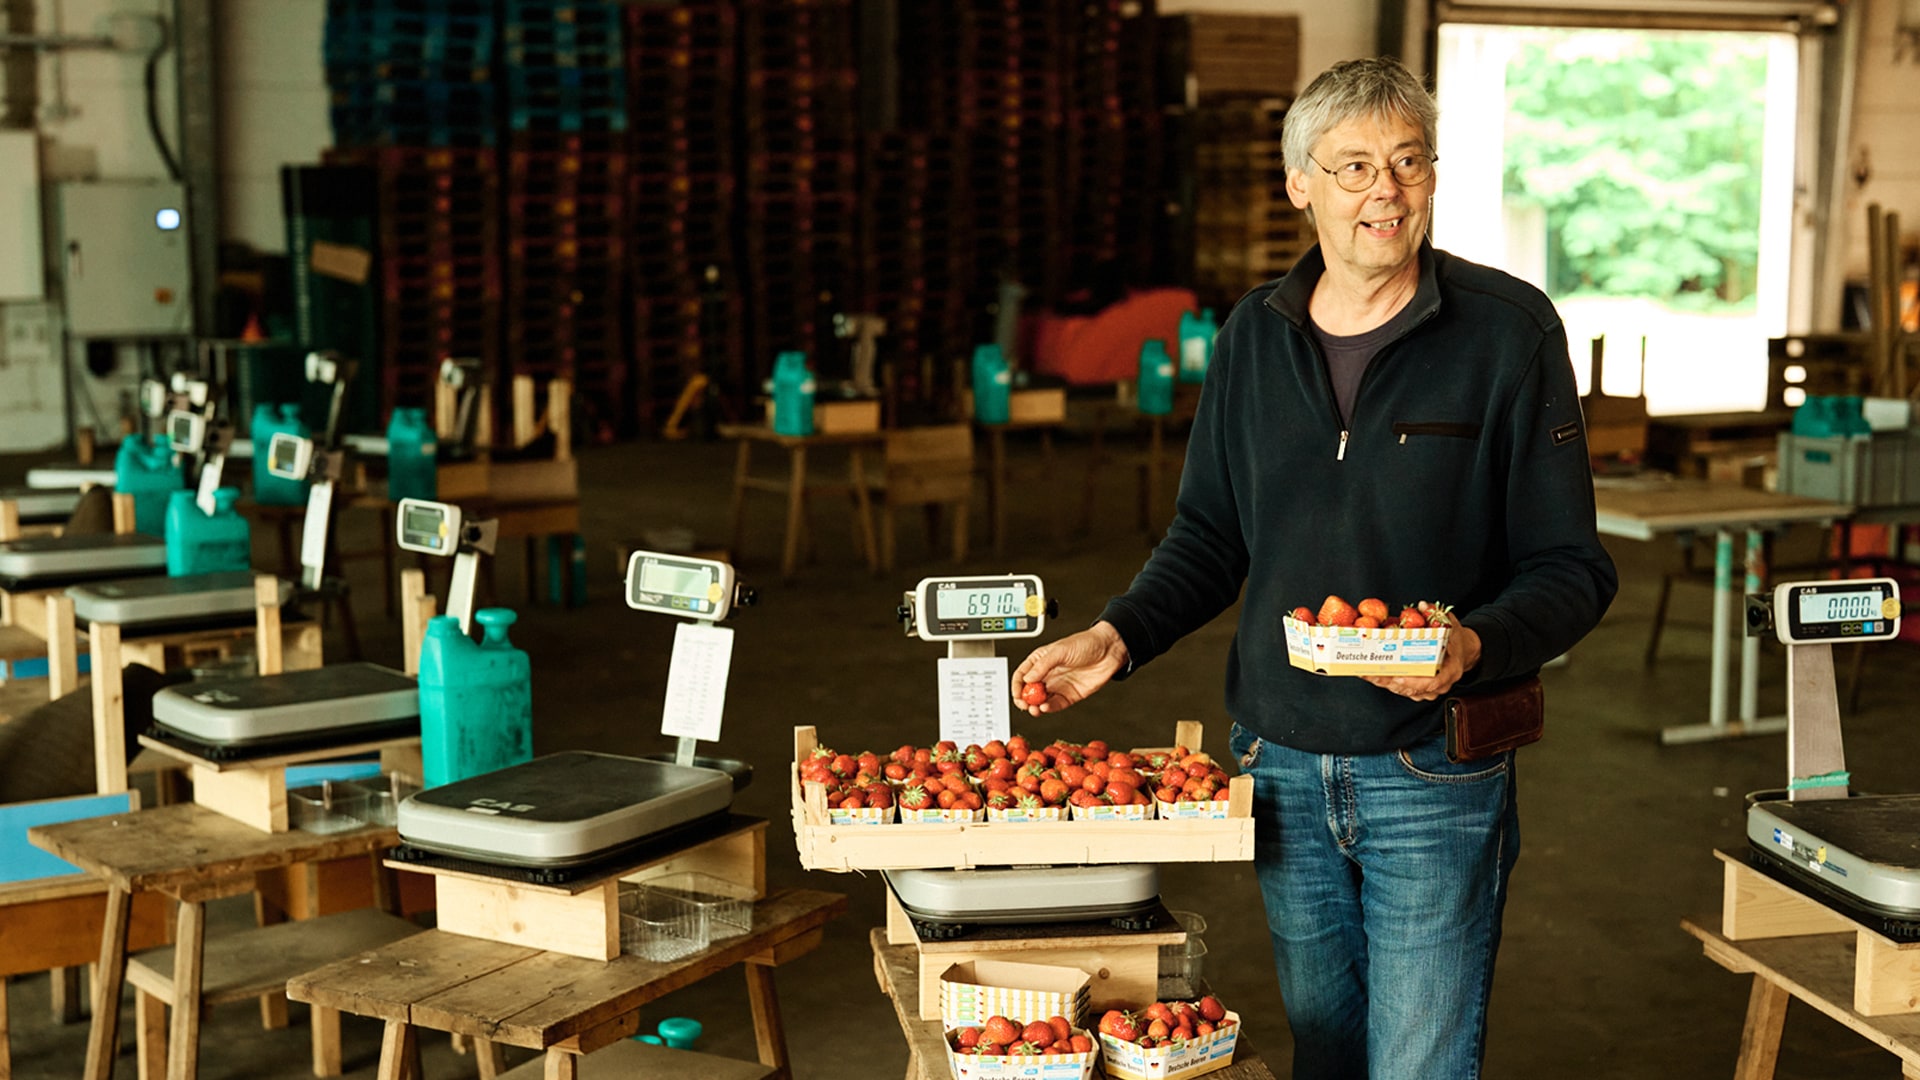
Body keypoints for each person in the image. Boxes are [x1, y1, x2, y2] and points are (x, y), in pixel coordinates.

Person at [1011, 56, 1618, 1079]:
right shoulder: (1255, 336)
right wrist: (1121, 634)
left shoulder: (1508, 334)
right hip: (1279, 761)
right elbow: (1211, 534)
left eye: (1409, 162)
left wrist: (1474, 645)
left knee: (1419, 1062)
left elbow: (1572, 567)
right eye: (1354, 167)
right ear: (1300, 183)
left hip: (1432, 766)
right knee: (1326, 1049)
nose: (1387, 191)